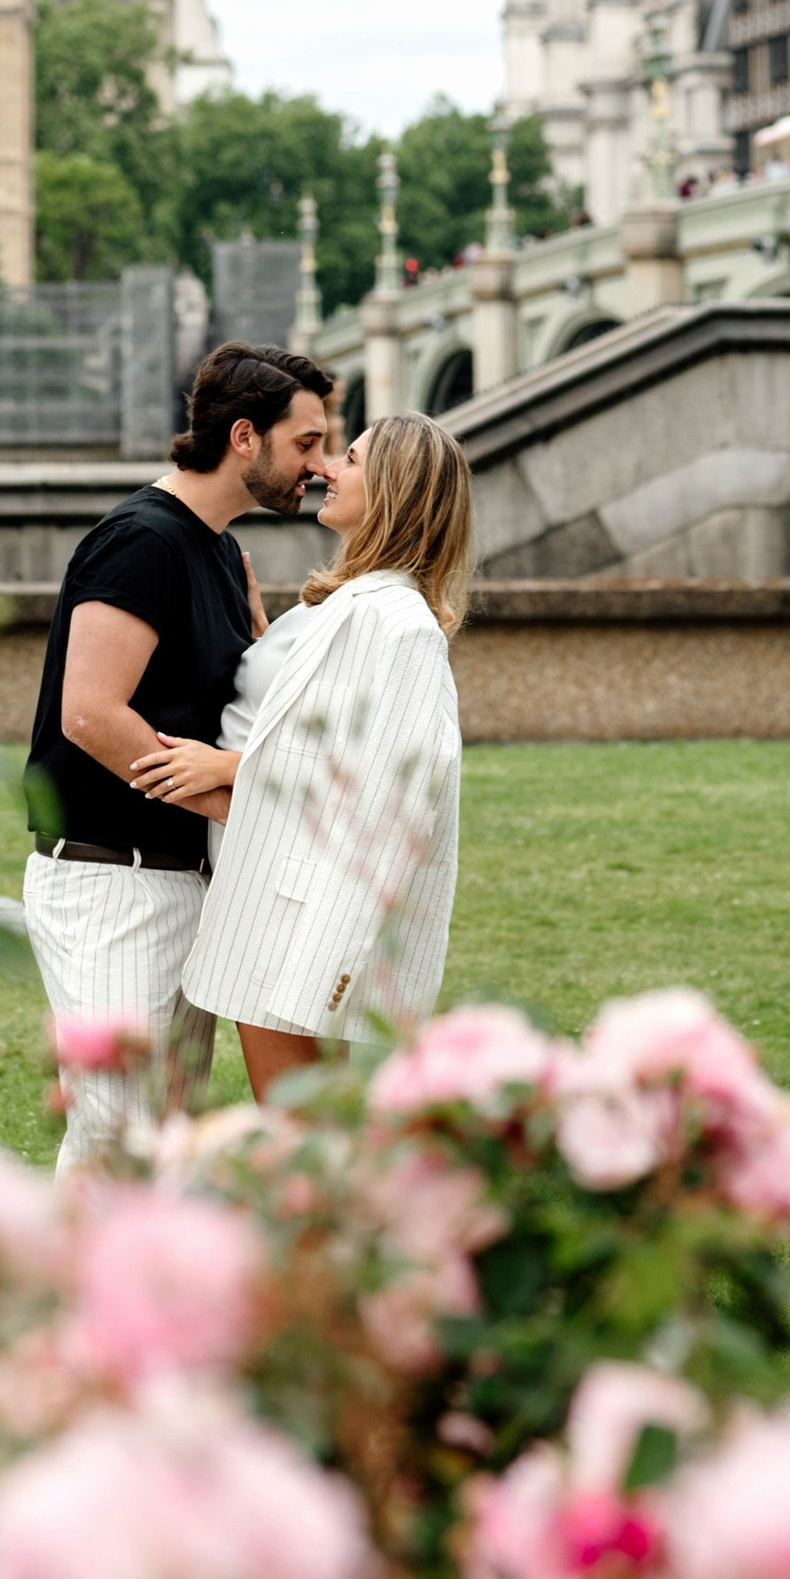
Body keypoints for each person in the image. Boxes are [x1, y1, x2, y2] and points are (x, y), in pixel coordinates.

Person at [20, 341, 333, 1167]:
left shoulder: (222, 550)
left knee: (154, 1139)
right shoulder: (143, 540)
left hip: (179, 882)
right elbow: (88, 713)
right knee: (117, 1133)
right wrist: (231, 799)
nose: (321, 464)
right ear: (243, 438)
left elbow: (220, 701)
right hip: (110, 885)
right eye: (305, 443)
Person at [133, 414, 472, 1103]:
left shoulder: (397, 625)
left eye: (349, 459)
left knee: (302, 1131)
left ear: (393, 491)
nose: (328, 469)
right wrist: (267, 637)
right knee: (303, 1126)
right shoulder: (347, 607)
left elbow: (390, 788)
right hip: (268, 892)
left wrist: (232, 770)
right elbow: (308, 722)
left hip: (301, 914)